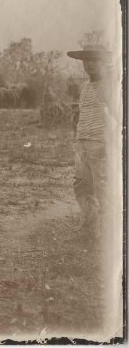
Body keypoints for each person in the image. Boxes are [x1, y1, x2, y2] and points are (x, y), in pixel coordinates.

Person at [67, 45, 114, 237]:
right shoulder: (85, 87)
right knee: (81, 185)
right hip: (82, 144)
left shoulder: (108, 87)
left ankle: (110, 234)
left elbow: (119, 114)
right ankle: (88, 228)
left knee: (102, 186)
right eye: (86, 61)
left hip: (100, 143)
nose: (90, 65)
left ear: (103, 62)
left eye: (94, 60)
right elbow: (84, 114)